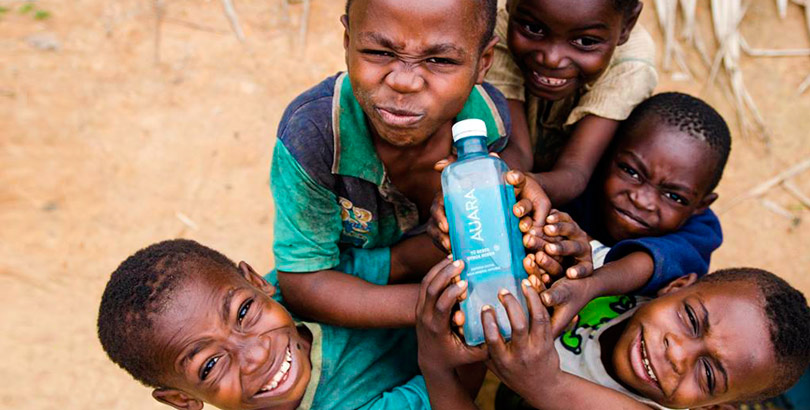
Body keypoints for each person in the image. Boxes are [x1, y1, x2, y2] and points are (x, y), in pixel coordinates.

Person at [271, 0, 530, 329]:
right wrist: (448, 305)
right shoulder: (316, 135)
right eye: (380, 52)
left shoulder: (487, 121)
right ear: (348, 42)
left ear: (484, 62)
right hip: (346, 301)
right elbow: (304, 282)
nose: (405, 82)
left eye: (440, 60)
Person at [97, 239, 456, 410]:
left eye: (242, 314)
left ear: (256, 281)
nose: (253, 355)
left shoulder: (301, 288)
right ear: (181, 398)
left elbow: (402, 260)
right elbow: (453, 392)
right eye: (209, 365)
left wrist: (450, 234)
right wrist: (451, 332)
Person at [415, 259, 810, 410]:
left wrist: (435, 366)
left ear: (710, 409)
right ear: (675, 286)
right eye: (690, 319)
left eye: (707, 375)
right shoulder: (607, 277)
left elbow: (547, 386)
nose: (677, 354)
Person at [488, 0, 658, 206]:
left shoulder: (631, 66)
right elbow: (518, 148)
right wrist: (492, 183)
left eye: (586, 41)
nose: (551, 59)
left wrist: (524, 185)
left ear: (627, 25)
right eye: (533, 29)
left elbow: (576, 170)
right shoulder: (495, 30)